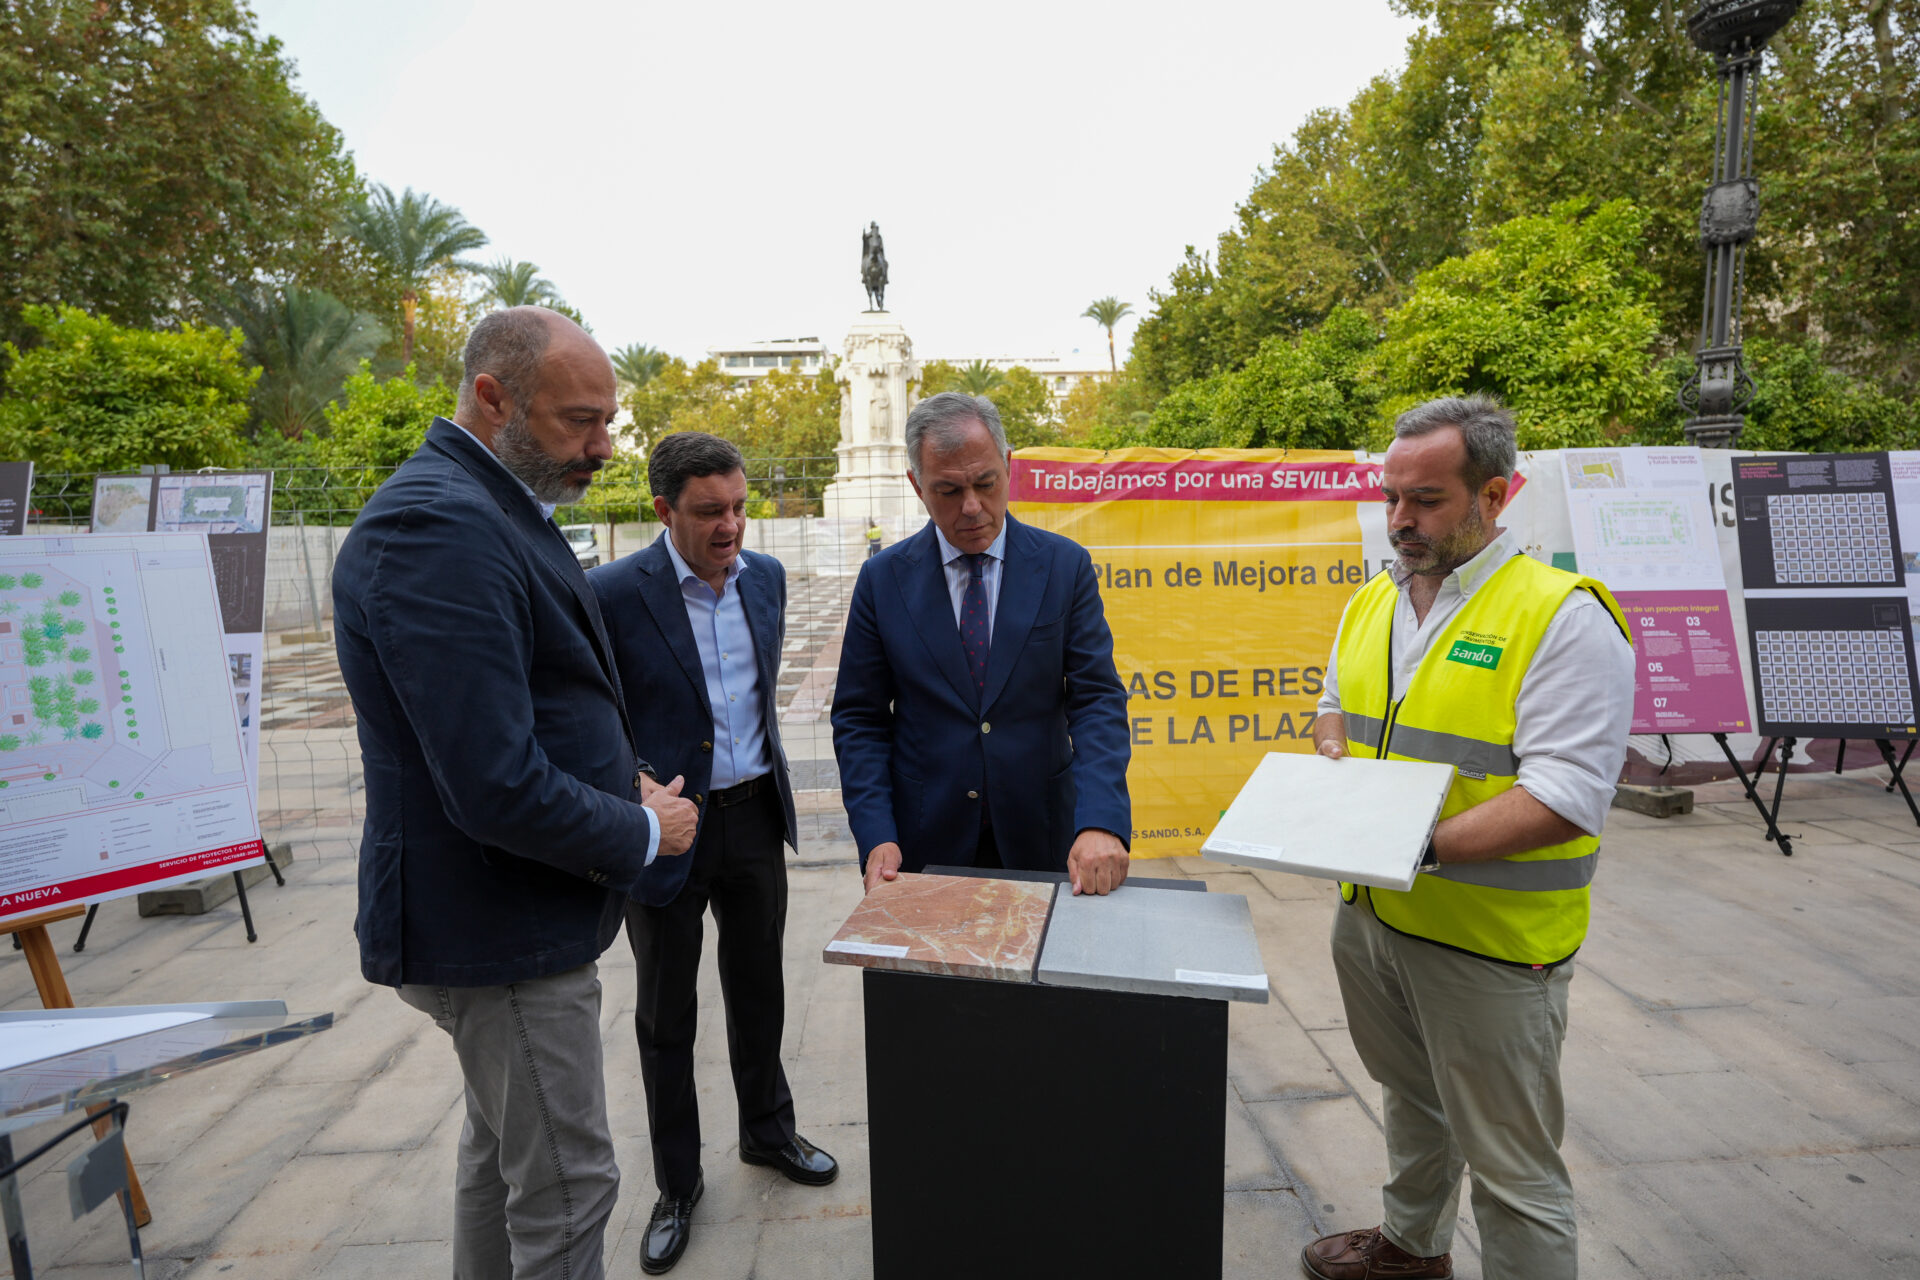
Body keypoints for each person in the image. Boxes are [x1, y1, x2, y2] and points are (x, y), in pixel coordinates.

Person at [333, 307, 699, 1280]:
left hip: (509, 923)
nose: (603, 446)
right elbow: (492, 780)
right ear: (492, 398)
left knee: (499, 1159)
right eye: (579, 421)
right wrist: (640, 826)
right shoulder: (436, 525)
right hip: (501, 931)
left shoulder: (484, 504)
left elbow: (528, 702)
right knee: (570, 1187)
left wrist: (614, 772)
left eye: (607, 419)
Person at [1303, 395, 1634, 1280]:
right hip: (1374, 919)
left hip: (1489, 946)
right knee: (1411, 1100)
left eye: (1427, 500)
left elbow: (1565, 796)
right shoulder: (1375, 599)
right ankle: (1412, 1249)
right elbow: (1335, 705)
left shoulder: (1562, 616)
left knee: (1514, 1168)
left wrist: (1407, 843)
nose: (1400, 520)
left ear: (1494, 495)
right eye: (1391, 498)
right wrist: (1331, 751)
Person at [588, 432, 836, 1275]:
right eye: (709, 512)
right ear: (664, 512)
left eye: (738, 507)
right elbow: (587, 719)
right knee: (666, 1014)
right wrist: (635, 787)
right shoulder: (614, 594)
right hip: (664, 832)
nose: (731, 526)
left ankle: (768, 1134)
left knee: (760, 986)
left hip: (755, 817)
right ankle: (678, 1183)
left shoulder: (764, 579)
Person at [831, 390, 1131, 895]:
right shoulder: (883, 581)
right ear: (917, 486)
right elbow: (859, 719)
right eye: (948, 491)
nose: (972, 508)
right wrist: (877, 833)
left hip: (1046, 837)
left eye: (986, 483)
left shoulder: (1064, 566)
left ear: (1008, 467)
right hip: (923, 845)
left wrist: (1101, 818)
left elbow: (1097, 700)